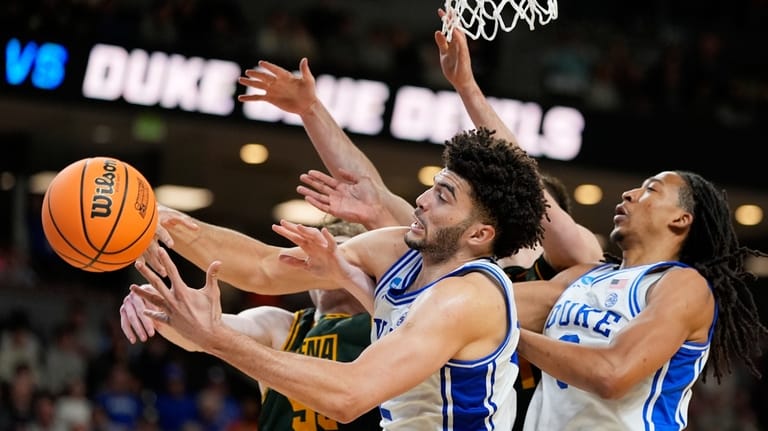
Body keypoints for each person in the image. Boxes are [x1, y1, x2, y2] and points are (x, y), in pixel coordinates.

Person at [236, 15, 603, 431]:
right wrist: (311, 110)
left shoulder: (564, 275)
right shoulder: (445, 250)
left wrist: (468, 89)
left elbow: (518, 170)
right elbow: (370, 191)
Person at [129, 126, 549, 429]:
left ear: (479, 234)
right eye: (433, 186)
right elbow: (263, 266)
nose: (421, 200)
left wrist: (216, 338)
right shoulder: (394, 250)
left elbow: (349, 396)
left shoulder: (468, 298)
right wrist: (167, 222)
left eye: (443, 196)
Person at [514, 170, 768, 430]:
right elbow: (490, 307)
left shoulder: (682, 284)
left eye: (651, 189)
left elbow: (611, 374)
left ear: (680, 219)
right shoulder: (584, 276)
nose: (629, 194)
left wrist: (512, 337)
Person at [121, 219, 383, 430]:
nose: (328, 266)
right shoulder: (281, 325)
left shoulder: (388, 326)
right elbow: (205, 333)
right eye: (317, 259)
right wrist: (158, 305)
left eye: (341, 256)